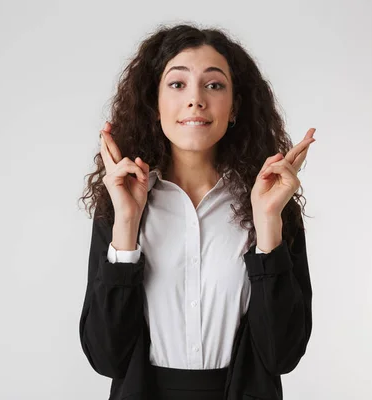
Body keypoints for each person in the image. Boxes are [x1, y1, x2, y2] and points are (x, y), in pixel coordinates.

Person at [78, 23, 315, 400]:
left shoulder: (270, 204)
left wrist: (268, 224)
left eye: (214, 84)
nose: (196, 100)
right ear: (154, 105)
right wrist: (125, 224)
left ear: (234, 105)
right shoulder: (123, 205)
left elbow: (281, 355)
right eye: (177, 84)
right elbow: (106, 357)